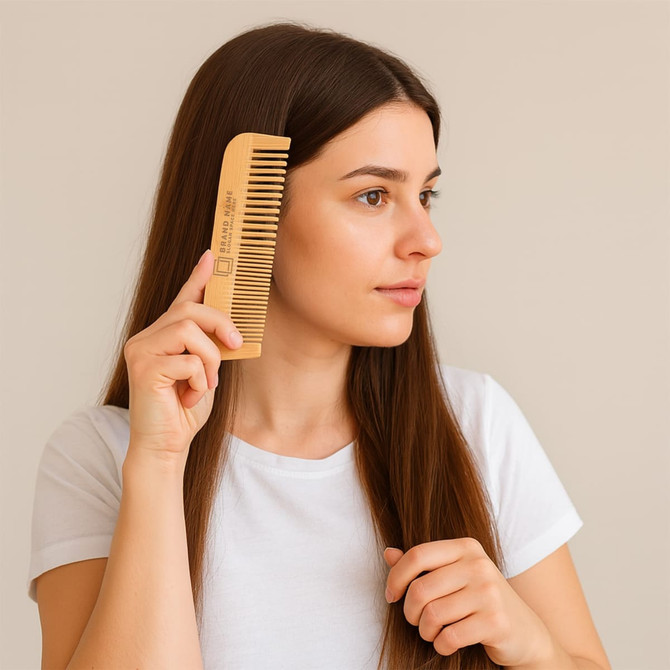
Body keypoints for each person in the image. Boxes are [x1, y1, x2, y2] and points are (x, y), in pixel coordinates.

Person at [28, 22, 610, 670]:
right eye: (372, 195)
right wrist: (160, 465)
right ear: (249, 210)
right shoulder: (104, 457)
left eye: (425, 194)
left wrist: (530, 645)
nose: (426, 238)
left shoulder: (475, 423)